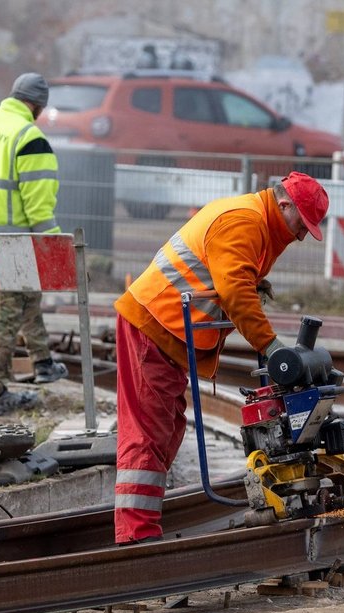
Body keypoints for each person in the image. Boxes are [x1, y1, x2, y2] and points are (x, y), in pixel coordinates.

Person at [113, 172, 329, 545]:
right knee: (149, 432)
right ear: (284, 205)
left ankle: (141, 527)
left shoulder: (258, 226)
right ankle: (137, 538)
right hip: (153, 326)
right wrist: (272, 347)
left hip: (165, 331)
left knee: (166, 428)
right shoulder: (244, 222)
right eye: (302, 223)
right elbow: (233, 290)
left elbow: (231, 279)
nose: (302, 235)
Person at [0, 72, 68, 417]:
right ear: (38, 106)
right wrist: (54, 248)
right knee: (9, 310)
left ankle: (43, 362)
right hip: (16, 236)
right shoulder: (30, 137)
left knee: (26, 296)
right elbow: (38, 205)